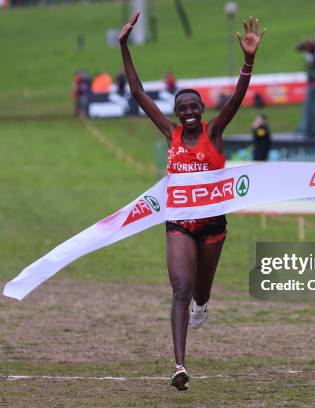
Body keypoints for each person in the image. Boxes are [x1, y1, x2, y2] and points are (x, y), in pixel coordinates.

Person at [119, 11, 265, 391]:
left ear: (201, 111)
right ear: (176, 113)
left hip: (213, 226)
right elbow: (138, 93)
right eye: (182, 108)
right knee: (181, 289)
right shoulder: (169, 134)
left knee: (200, 291)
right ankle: (180, 365)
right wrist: (123, 46)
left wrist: (248, 60)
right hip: (180, 223)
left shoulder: (214, 131)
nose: (188, 112)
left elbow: (237, 97)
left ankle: (204, 303)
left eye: (193, 107)